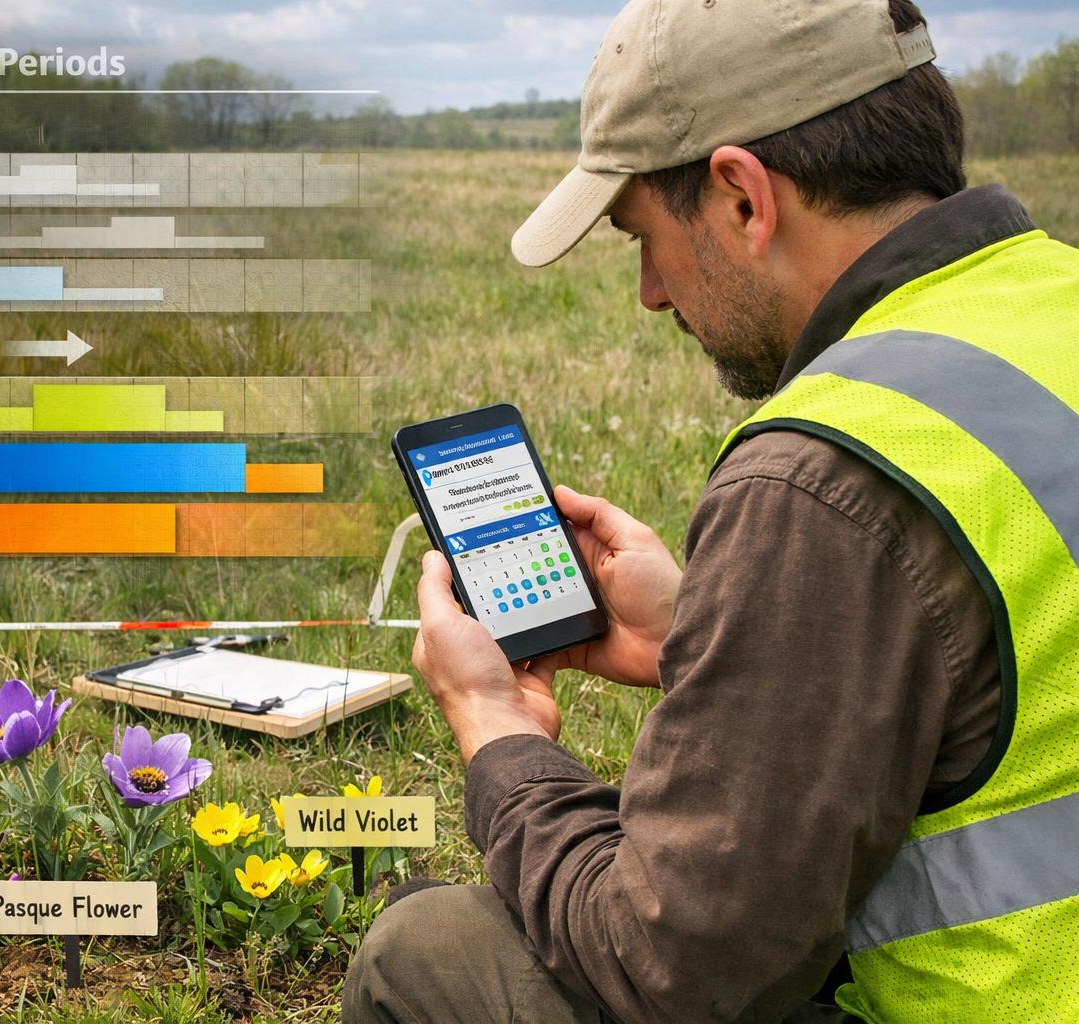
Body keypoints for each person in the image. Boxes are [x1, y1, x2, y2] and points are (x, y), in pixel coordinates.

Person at [343, 0, 1079, 1022]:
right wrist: (716, 632)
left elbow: (672, 968)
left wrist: (497, 731)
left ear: (741, 197)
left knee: (427, 949)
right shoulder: (1055, 304)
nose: (649, 291)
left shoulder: (827, 475)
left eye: (643, 234)